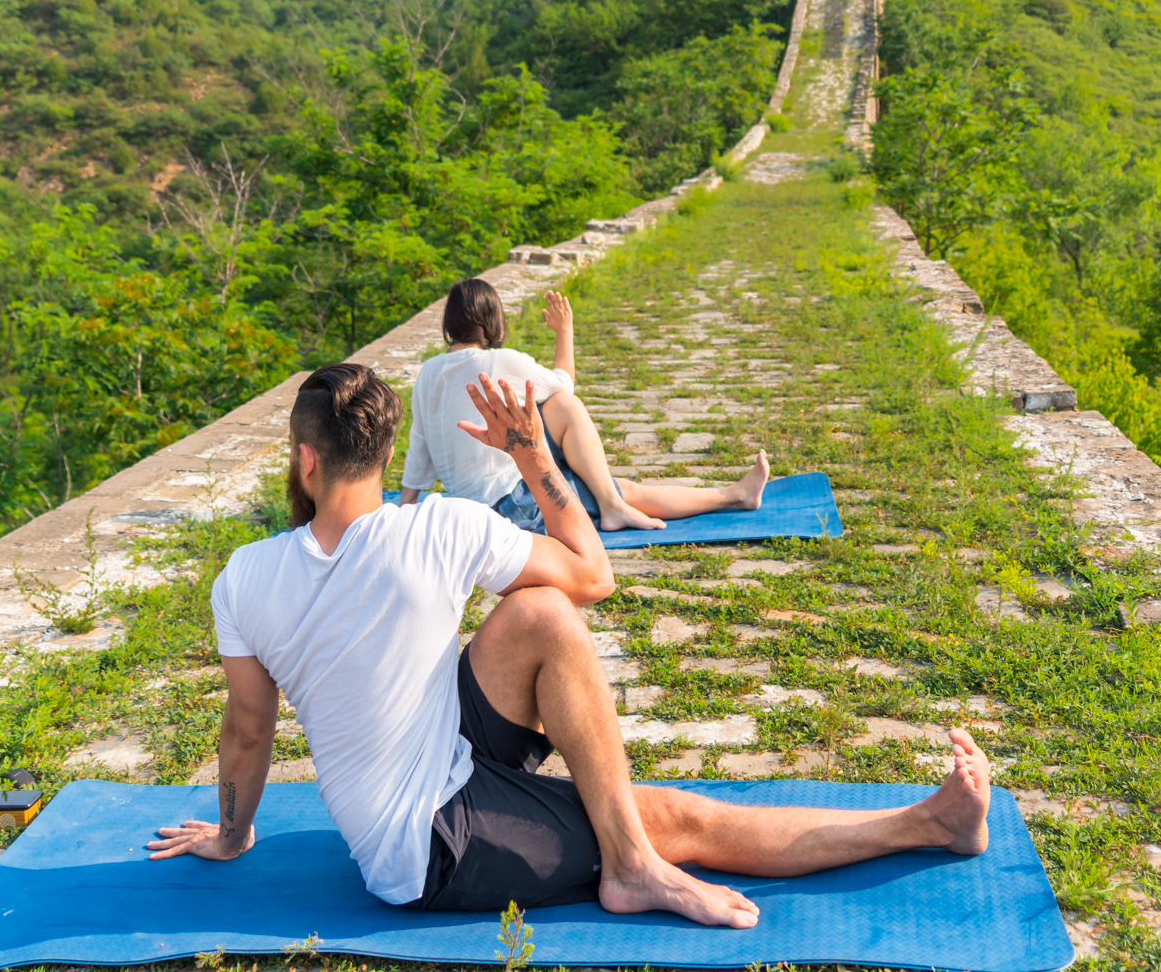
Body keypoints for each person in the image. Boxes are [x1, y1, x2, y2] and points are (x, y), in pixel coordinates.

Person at [149, 363, 993, 924]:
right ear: (380, 451)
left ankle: (618, 844)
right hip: (423, 844)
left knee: (542, 616)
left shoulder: (245, 576)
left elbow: (248, 730)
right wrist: (530, 456)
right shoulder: (439, 525)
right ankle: (921, 827)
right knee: (671, 818)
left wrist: (232, 833)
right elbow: (595, 570)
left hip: (445, 734)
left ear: (305, 462)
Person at [399, 277, 767, 533]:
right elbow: (565, 384)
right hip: (511, 509)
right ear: (493, 320)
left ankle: (611, 501)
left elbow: (419, 449)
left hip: (474, 504)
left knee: (561, 413)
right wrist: (565, 332)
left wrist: (405, 510)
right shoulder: (498, 360)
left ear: (451, 324)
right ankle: (732, 495)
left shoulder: (428, 373)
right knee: (575, 417)